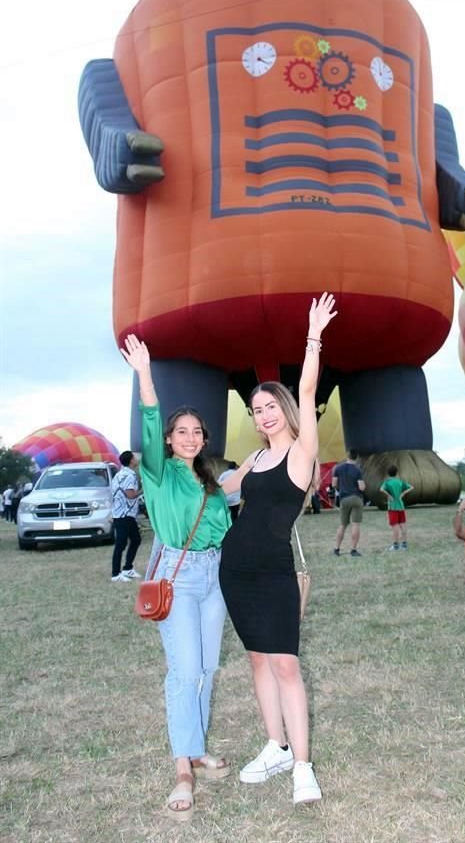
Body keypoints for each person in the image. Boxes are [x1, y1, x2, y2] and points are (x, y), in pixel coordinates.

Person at [218, 292, 336, 807]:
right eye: (255, 409)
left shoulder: (300, 453)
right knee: (257, 660)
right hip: (235, 569)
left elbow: (308, 388)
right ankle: (275, 746)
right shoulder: (256, 458)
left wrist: (312, 337)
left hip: (274, 572)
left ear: (284, 409)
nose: (263, 414)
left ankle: (303, 768)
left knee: (286, 663)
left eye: (270, 406)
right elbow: (222, 492)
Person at [121, 335, 232, 823]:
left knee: (207, 670)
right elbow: (148, 419)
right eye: (180, 431)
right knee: (184, 672)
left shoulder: (210, 481)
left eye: (196, 431)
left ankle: (198, 747)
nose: (189, 437)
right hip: (179, 577)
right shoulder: (158, 474)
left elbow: (226, 526)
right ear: (168, 438)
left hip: (214, 577)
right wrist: (146, 376)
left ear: (204, 440)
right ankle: (183, 768)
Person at [110, 451, 143, 583]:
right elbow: (130, 495)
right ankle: (115, 574)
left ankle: (127, 568)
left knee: (136, 539)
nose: (137, 459)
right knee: (121, 544)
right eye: (135, 457)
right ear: (131, 460)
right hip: (124, 514)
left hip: (124, 514)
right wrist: (144, 488)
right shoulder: (129, 475)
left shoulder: (119, 474)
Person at [331, 449, 365, 557]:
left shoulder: (338, 468)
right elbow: (361, 487)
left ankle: (336, 549)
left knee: (343, 525)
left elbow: (334, 484)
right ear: (356, 458)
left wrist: (341, 487)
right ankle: (353, 550)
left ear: (348, 456)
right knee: (356, 524)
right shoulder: (358, 470)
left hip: (344, 498)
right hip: (356, 498)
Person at [379, 465, 413, 551]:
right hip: (401, 506)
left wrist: (389, 495)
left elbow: (381, 489)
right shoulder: (400, 482)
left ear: (388, 473)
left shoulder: (387, 482)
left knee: (395, 526)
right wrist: (403, 494)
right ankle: (404, 545)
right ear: (397, 473)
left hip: (392, 507)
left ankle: (396, 546)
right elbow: (411, 487)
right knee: (403, 524)